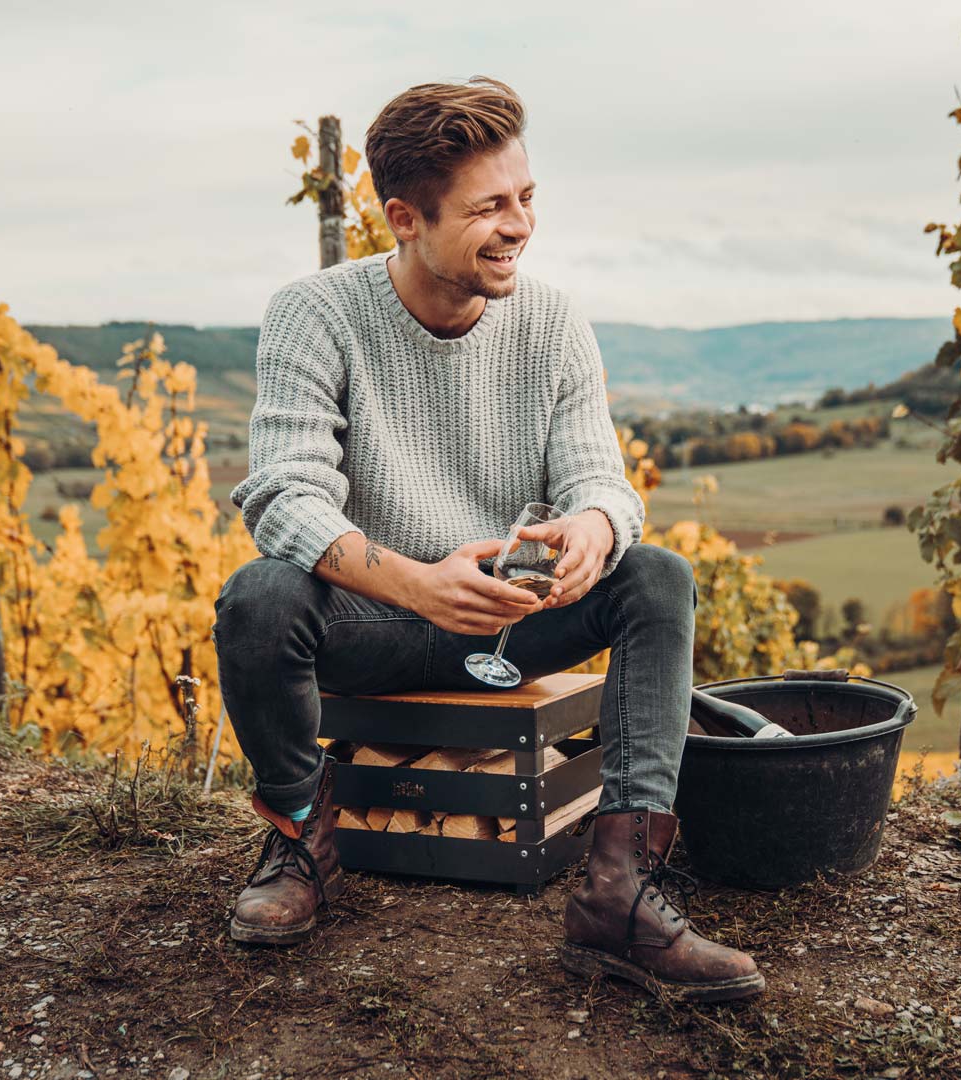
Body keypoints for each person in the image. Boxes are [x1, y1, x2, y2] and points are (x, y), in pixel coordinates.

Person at [213, 76, 763, 1003]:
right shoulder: (315, 313)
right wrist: (417, 585)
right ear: (405, 218)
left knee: (656, 577)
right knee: (258, 595)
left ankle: (620, 892)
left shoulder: (549, 322)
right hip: (372, 626)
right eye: (490, 208)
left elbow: (602, 480)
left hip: (513, 626)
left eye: (527, 199)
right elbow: (282, 495)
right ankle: (302, 839)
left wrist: (593, 524)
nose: (520, 226)